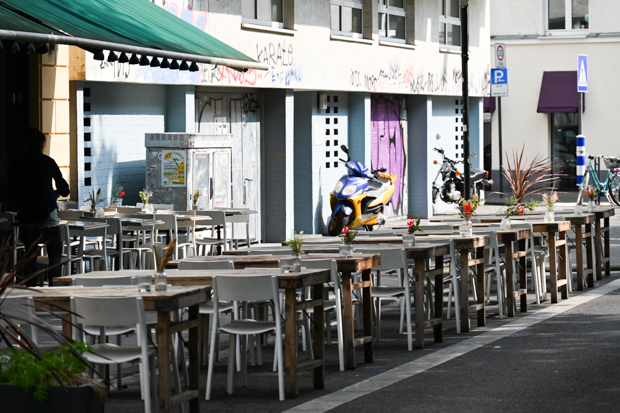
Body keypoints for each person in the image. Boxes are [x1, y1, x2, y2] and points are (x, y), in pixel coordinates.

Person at [9, 127, 70, 285]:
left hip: (27, 214)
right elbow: (65, 190)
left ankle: (31, 292)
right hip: (48, 211)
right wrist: (53, 193)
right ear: (41, 144)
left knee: (30, 257)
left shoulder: (17, 164)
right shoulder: (47, 162)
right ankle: (54, 289)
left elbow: (12, 194)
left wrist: (25, 200)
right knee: (54, 255)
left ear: (24, 143)